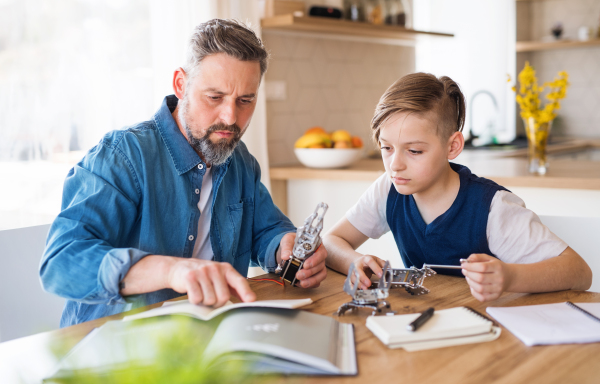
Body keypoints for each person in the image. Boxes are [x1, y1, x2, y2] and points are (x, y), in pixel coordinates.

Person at [40, 19, 327, 327]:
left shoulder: (240, 161)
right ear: (181, 84)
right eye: (214, 97)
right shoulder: (122, 155)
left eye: (246, 100)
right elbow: (62, 262)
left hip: (209, 342)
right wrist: (172, 270)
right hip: (115, 352)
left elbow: (267, 232)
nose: (230, 117)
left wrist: (286, 246)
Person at [323, 73, 592, 302]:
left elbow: (579, 272)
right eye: (386, 147)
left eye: (414, 150)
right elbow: (332, 241)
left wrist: (510, 276)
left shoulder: (492, 208)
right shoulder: (388, 189)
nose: (395, 165)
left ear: (452, 146)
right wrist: (353, 261)